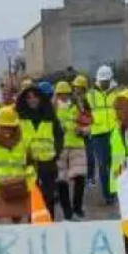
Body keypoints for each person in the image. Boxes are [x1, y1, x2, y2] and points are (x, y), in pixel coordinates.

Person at [17, 81, 63, 220]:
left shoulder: (50, 116)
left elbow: (59, 136)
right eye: (29, 98)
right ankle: (33, 226)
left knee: (48, 197)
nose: (32, 100)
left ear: (40, 98)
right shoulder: (20, 117)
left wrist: (56, 153)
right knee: (32, 197)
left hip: (48, 163)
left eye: (34, 97)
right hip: (28, 164)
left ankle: (49, 223)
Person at [54, 81, 89, 221]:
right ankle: (68, 213)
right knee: (61, 181)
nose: (63, 97)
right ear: (57, 95)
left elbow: (88, 126)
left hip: (77, 145)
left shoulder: (78, 108)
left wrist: (82, 130)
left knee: (80, 177)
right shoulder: (52, 109)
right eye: (60, 94)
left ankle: (77, 207)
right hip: (59, 147)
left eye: (66, 94)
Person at [88, 65, 120, 203]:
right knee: (102, 165)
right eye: (102, 81)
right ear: (98, 80)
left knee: (115, 163)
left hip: (115, 133)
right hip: (97, 135)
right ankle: (108, 195)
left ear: (111, 79)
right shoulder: (90, 96)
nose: (104, 83)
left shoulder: (117, 95)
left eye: (106, 81)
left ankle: (115, 191)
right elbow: (83, 114)